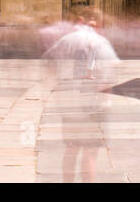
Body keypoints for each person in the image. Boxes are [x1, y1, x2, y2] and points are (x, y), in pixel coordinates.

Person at [43, 9, 119, 182]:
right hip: (93, 104)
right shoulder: (102, 42)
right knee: (90, 152)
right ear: (99, 24)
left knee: (72, 147)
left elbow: (49, 61)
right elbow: (111, 74)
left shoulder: (68, 39)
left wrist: (61, 85)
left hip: (72, 101)